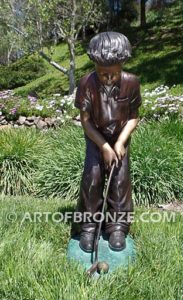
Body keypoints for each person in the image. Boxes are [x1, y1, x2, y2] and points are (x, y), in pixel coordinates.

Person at [74, 32, 141, 252]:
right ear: (94, 65)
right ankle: (89, 225)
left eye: (114, 73)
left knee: (120, 180)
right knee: (92, 179)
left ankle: (118, 226)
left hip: (120, 138)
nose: (109, 78)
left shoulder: (131, 83)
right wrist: (103, 146)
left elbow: (133, 117)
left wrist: (120, 142)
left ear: (122, 65)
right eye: (103, 74)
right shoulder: (86, 83)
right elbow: (85, 121)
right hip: (96, 137)